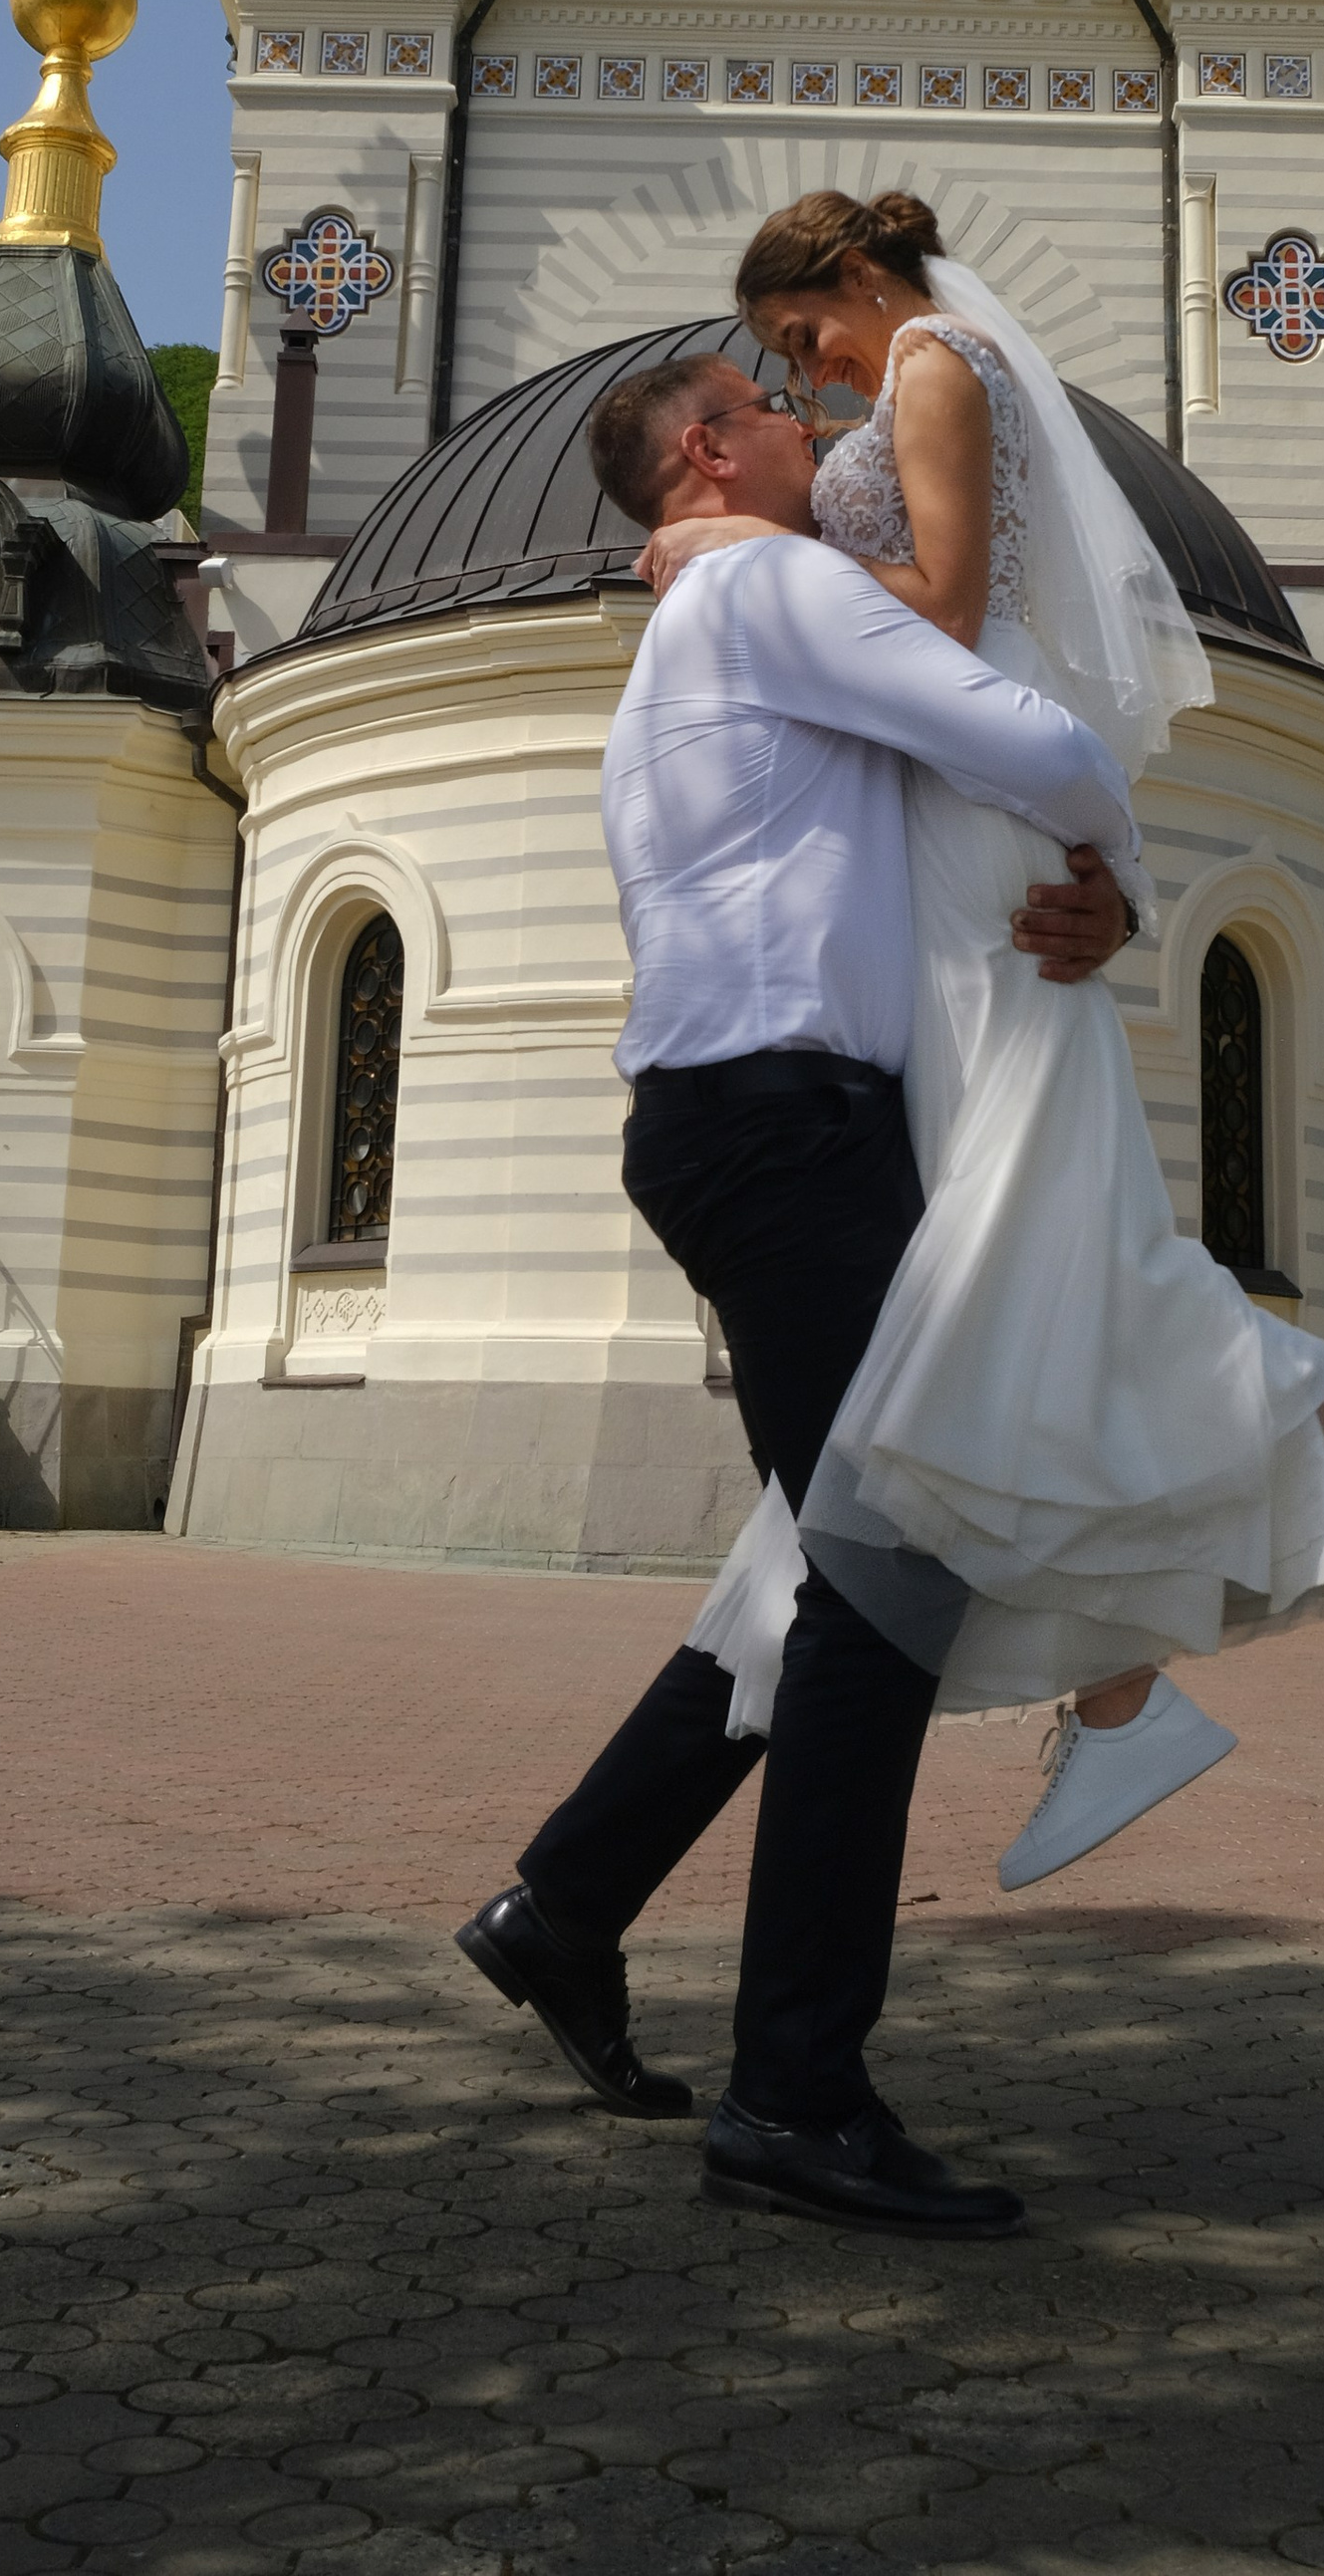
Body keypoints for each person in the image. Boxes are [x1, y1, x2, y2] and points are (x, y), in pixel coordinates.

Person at [658, 190, 1324, 1894]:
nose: (799, 378)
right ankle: (1119, 1691)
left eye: (804, 340)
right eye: (779, 371)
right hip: (955, 822)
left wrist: (754, 551)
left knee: (1034, 1238)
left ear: (861, 282)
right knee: (997, 1258)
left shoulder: (942, 362)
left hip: (976, 813)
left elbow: (947, 615)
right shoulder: (898, 395)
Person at [456, 349, 1148, 2239]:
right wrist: (1127, 872)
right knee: (888, 1579)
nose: (809, 424)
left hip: (744, 1124)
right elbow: (1029, 736)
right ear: (705, 453)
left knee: (808, 1558)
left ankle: (567, 1908)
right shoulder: (763, 580)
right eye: (768, 404)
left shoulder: (710, 606)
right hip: (787, 1126)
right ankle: (793, 2093)